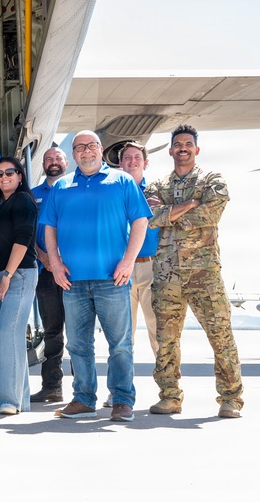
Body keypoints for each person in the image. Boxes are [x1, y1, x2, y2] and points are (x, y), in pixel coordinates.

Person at [39, 131, 150, 422]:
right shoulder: (62, 186)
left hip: (112, 279)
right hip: (72, 281)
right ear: (73, 154)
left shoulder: (122, 181)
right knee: (77, 343)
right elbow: (49, 227)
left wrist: (128, 262)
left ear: (100, 150)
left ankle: (123, 400)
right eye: (80, 147)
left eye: (91, 146)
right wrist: (55, 262)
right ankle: (84, 399)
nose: (86, 151)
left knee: (120, 343)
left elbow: (140, 221)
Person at [145, 125, 243, 419]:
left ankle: (230, 399)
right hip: (167, 277)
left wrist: (171, 215)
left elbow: (212, 212)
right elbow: (152, 218)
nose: (183, 148)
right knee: (166, 342)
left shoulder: (212, 180)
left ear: (196, 150)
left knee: (221, 337)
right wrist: (190, 204)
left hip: (205, 275)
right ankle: (170, 397)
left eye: (188, 143)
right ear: (171, 150)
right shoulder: (157, 185)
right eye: (178, 144)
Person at [0, 157, 38, 415]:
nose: (4, 177)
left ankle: (8, 400)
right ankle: (20, 401)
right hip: (0, 277)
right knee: (10, 338)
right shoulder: (1, 205)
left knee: (6, 333)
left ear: (20, 175)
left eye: (9, 172)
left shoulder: (23, 200)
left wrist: (7, 273)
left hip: (17, 275)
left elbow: (23, 238)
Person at [29, 146, 68, 403]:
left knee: (79, 331)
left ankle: (86, 391)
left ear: (66, 162)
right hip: (44, 271)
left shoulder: (74, 190)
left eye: (57, 158)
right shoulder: (33, 195)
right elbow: (26, 232)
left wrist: (61, 260)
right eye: (48, 159)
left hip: (73, 270)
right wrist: (44, 257)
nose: (53, 162)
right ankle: (52, 386)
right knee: (52, 330)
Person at [118, 142, 160, 360]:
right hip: (120, 270)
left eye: (137, 157)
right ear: (120, 163)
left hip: (151, 268)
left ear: (145, 163)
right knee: (123, 335)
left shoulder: (158, 193)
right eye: (127, 157)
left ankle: (169, 390)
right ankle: (122, 391)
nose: (132, 161)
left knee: (159, 332)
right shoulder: (113, 192)